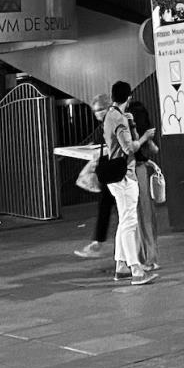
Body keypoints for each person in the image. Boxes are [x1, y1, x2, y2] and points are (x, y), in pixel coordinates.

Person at [72, 95, 120, 261]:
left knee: (117, 210)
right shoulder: (106, 125)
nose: (98, 114)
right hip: (108, 173)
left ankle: (108, 245)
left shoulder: (114, 122)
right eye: (95, 111)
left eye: (100, 109)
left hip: (115, 172)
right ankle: (100, 243)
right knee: (107, 207)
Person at [119, 82, 160, 272]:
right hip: (138, 168)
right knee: (144, 215)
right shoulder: (137, 111)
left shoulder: (120, 116)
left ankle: (132, 260)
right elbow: (150, 146)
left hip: (127, 169)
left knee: (130, 217)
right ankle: (147, 258)